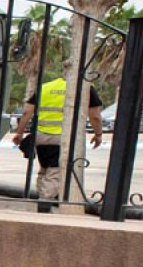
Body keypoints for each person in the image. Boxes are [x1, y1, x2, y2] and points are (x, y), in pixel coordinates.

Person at [11, 77, 103, 213]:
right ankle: (45, 201)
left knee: (45, 168)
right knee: (56, 171)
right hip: (63, 137)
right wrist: (98, 134)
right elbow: (95, 116)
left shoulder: (46, 87)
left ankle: (44, 196)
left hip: (41, 136)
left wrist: (19, 133)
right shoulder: (85, 88)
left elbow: (27, 112)